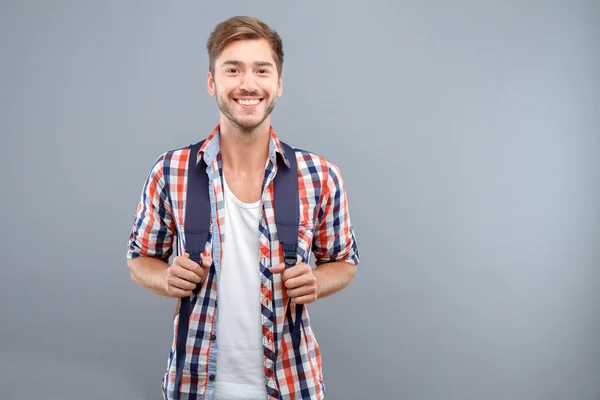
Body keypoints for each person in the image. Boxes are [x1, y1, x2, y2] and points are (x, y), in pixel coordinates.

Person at [126, 16, 359, 400]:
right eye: (233, 69)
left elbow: (344, 261)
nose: (248, 84)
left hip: (292, 385)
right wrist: (165, 278)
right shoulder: (170, 170)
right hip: (194, 387)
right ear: (211, 81)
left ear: (279, 83)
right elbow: (139, 258)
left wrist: (316, 282)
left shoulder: (320, 175)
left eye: (261, 70)